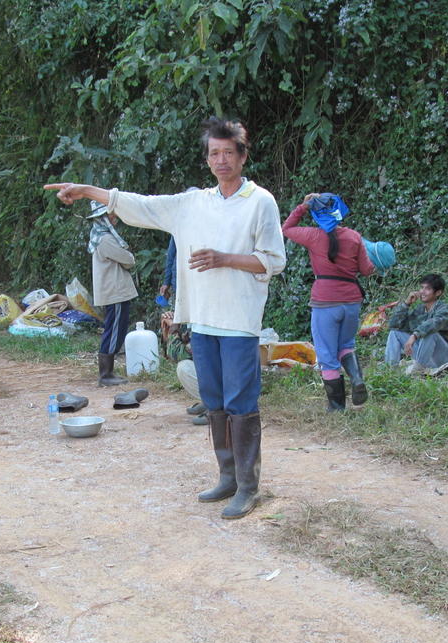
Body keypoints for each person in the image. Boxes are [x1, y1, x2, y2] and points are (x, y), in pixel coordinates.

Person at [45, 117, 286, 520]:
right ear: (207, 159)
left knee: (241, 403)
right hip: (202, 321)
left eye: (229, 152)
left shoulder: (260, 201)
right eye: (214, 153)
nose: (221, 160)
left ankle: (249, 487)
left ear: (243, 156)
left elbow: (274, 260)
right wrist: (87, 190)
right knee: (214, 402)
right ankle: (228, 477)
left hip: (239, 321)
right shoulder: (193, 204)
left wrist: (224, 259)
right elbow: (139, 204)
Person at [282, 192, 375, 411]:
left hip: (325, 301)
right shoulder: (354, 237)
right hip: (351, 301)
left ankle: (336, 407)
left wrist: (303, 206)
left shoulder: (313, 236)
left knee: (326, 354)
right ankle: (356, 378)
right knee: (346, 346)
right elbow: (366, 270)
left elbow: (286, 229)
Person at [87, 202, 138, 386]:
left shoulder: (99, 236)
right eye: (111, 215)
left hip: (113, 290)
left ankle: (107, 372)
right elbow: (128, 259)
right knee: (115, 330)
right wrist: (129, 256)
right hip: (115, 291)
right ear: (103, 218)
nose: (114, 217)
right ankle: (106, 374)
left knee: (114, 328)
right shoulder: (106, 239)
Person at [384, 273, 448, 370]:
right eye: (421, 287)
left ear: (438, 293)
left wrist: (414, 335)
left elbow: (433, 324)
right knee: (394, 333)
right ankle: (391, 369)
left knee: (430, 333)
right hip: (427, 356)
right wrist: (406, 304)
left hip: (447, 357)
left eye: (427, 289)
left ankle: (417, 370)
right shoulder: (420, 309)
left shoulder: (444, 309)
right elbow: (394, 325)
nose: (422, 292)